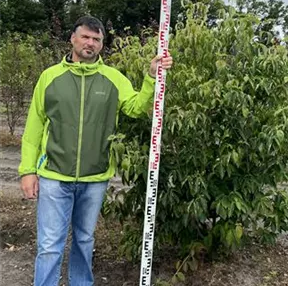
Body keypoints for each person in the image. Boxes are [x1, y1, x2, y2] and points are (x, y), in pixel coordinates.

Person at [18, 16, 173, 286]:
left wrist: (151, 77)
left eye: (97, 39)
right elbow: (33, 128)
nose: (90, 43)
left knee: (84, 240)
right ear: (73, 39)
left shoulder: (113, 78)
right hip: (54, 176)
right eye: (86, 37)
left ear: (102, 45)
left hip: (95, 178)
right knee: (49, 245)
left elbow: (136, 108)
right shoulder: (49, 77)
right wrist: (27, 171)